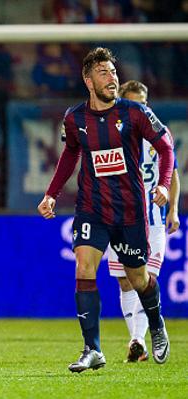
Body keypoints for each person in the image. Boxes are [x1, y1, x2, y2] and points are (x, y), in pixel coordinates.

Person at [38, 47, 173, 373]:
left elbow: (166, 145)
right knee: (84, 268)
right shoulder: (75, 118)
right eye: (104, 73)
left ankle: (155, 325)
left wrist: (165, 185)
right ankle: (92, 349)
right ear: (88, 80)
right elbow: (70, 154)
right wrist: (52, 194)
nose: (112, 78)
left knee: (138, 278)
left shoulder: (134, 113)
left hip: (129, 211)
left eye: (114, 72)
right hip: (91, 208)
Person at [106, 80, 180, 362]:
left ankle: (140, 338)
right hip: (121, 217)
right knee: (125, 283)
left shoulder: (158, 134)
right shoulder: (114, 135)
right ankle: (137, 341)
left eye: (143, 103)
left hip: (153, 219)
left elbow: (172, 174)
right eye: (134, 103)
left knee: (145, 280)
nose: (139, 108)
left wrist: (172, 210)